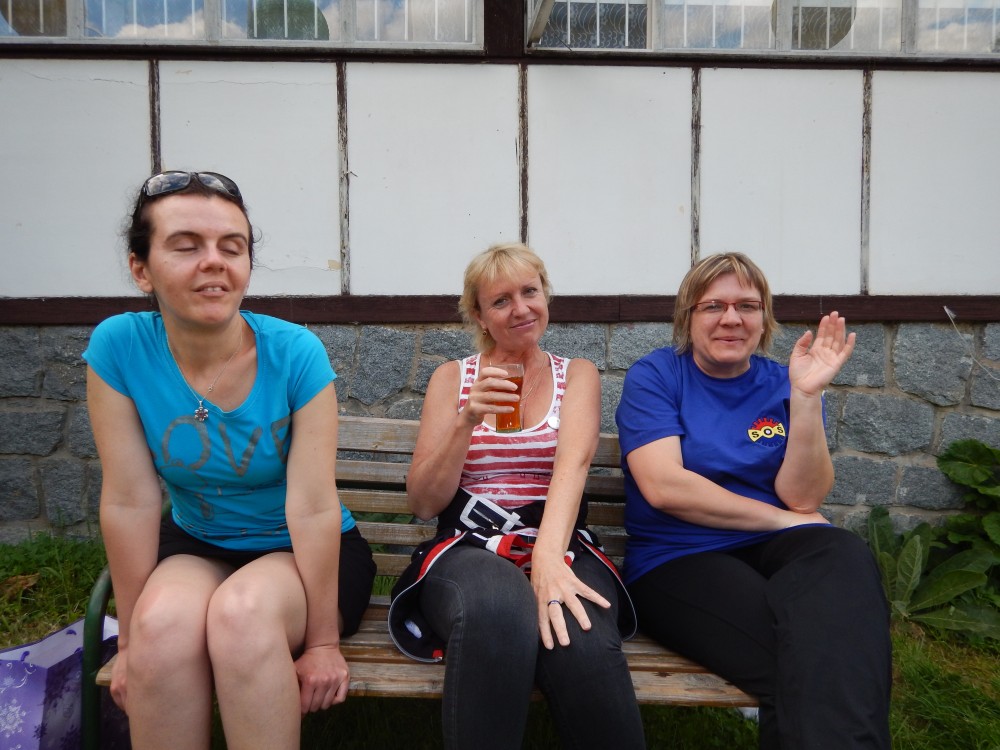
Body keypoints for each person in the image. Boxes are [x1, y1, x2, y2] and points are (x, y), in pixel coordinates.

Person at [84, 171, 376, 750]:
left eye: (231, 247)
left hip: (305, 554)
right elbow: (130, 499)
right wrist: (132, 643)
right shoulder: (120, 347)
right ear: (141, 269)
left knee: (242, 617)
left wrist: (323, 643)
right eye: (186, 245)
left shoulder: (294, 354)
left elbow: (313, 506)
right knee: (161, 628)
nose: (214, 261)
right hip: (198, 542)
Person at [616, 252, 891, 749]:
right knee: (816, 661)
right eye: (713, 306)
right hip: (678, 558)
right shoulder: (656, 377)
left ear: (764, 319)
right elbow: (665, 487)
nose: (731, 319)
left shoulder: (784, 381)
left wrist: (805, 398)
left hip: (766, 547)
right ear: (687, 317)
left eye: (747, 305)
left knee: (842, 552)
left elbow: (803, 497)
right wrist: (786, 522)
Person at [388, 243, 646, 750]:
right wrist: (465, 420)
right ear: (480, 315)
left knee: (581, 636)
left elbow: (572, 467)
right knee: (498, 607)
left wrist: (548, 562)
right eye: (501, 300)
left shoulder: (578, 374)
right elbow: (424, 503)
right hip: (470, 545)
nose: (521, 308)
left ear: (546, 295)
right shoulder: (452, 378)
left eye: (530, 291)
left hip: (559, 540)